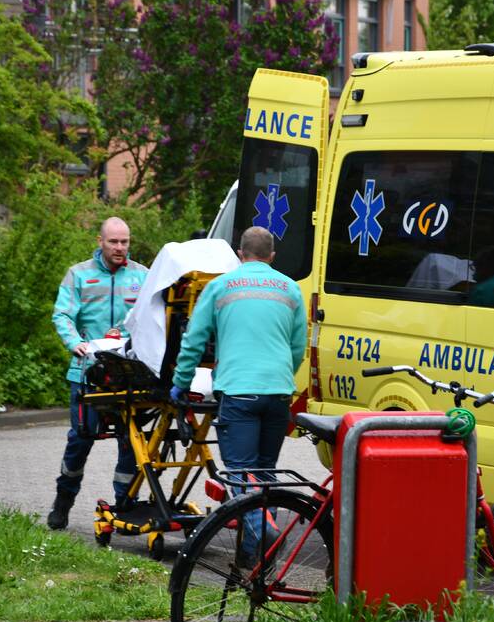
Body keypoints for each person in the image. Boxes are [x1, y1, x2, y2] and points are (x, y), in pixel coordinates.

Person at [170, 226, 307, 566]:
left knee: (240, 473)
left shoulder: (219, 287)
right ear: (272, 256)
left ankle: (264, 532)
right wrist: (277, 375)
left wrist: (180, 381)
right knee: (263, 472)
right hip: (277, 393)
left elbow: (194, 340)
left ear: (239, 254)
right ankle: (255, 557)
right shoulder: (291, 289)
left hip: (239, 392)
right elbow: (298, 347)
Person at [47, 217, 149, 530]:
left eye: (125, 242)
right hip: (87, 373)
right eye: (113, 242)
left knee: (131, 442)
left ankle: (125, 505)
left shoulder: (143, 276)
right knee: (80, 439)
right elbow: (62, 314)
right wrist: (75, 343)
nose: (120, 248)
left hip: (128, 375)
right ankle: (63, 500)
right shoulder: (79, 275)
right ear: (100, 241)